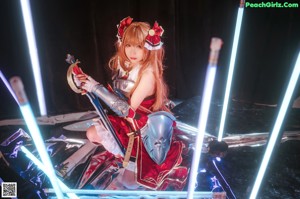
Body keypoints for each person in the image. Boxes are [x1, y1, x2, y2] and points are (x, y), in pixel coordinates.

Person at [75, 16, 187, 190]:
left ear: (148, 49)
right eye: (128, 45)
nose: (132, 52)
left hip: (143, 128)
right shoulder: (126, 65)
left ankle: (135, 161)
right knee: (92, 133)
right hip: (130, 122)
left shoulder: (148, 74)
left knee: (129, 183)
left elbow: (127, 109)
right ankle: (128, 159)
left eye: (139, 46)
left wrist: (95, 87)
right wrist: (86, 82)